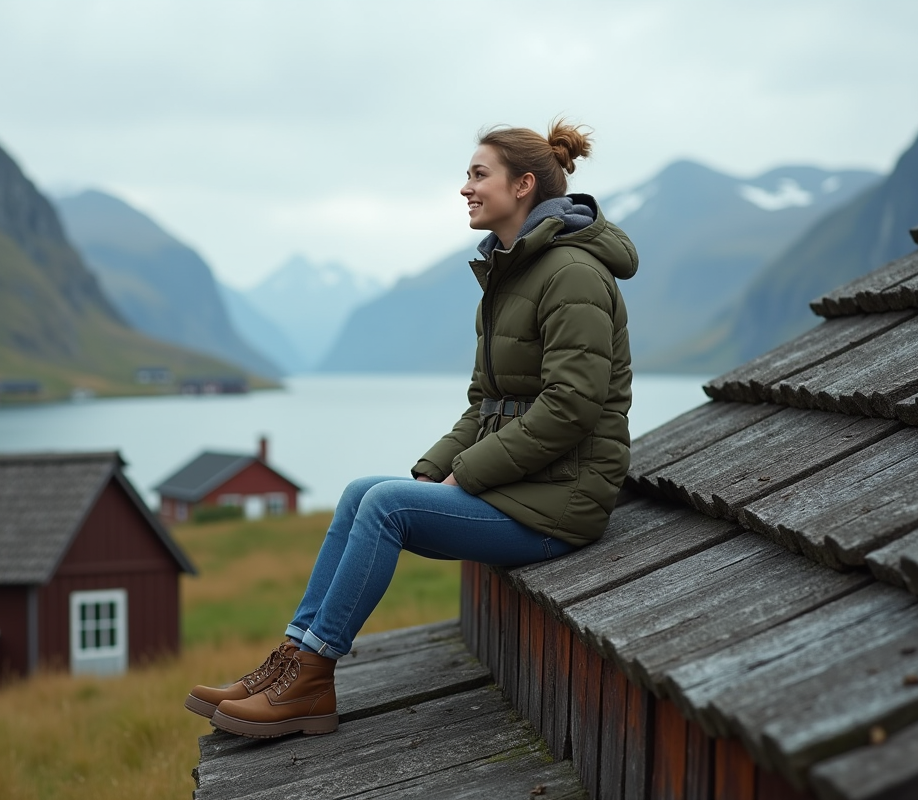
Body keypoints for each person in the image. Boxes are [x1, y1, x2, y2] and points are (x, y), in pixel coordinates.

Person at [185, 119, 637, 739]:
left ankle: (312, 680)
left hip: (564, 502)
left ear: (524, 185)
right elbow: (485, 403)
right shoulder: (511, 275)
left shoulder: (572, 274)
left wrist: (469, 472)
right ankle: (289, 662)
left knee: (387, 508)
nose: (465, 189)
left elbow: (571, 408)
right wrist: (434, 469)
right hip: (530, 486)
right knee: (360, 493)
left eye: (479, 175)